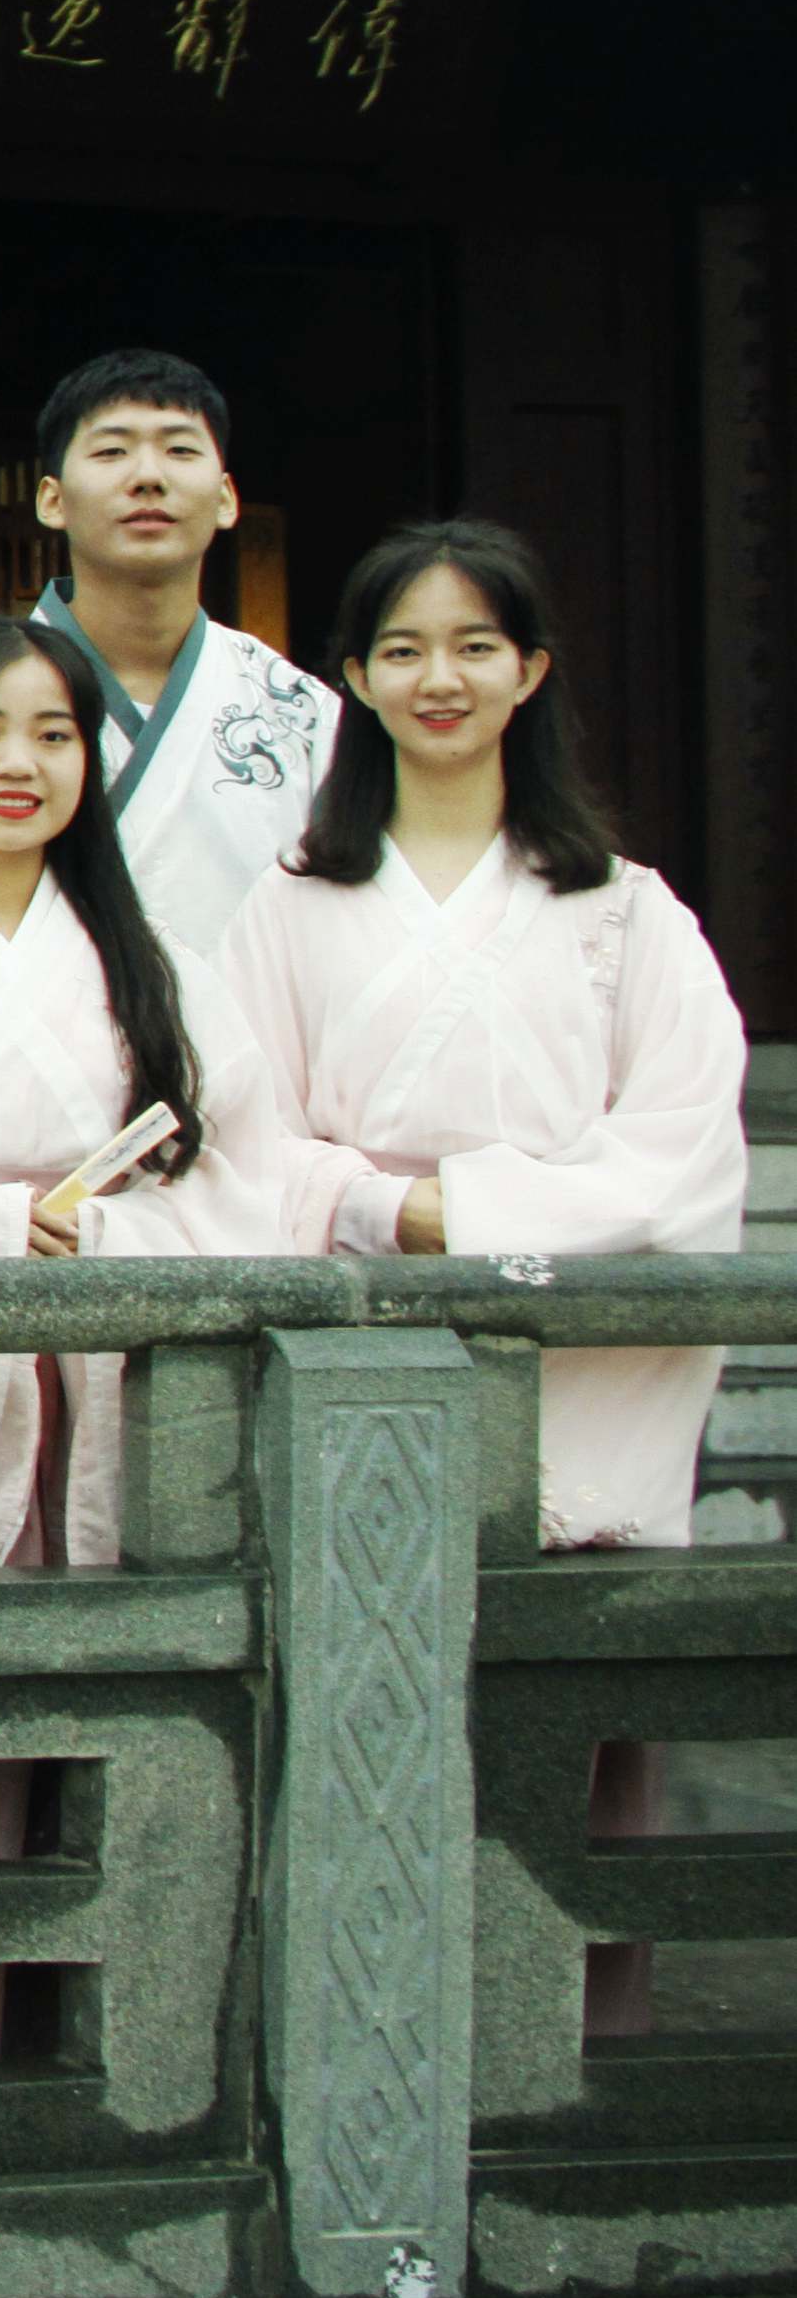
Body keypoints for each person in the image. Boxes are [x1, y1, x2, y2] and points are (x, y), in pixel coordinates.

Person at [216, 519, 739, 2039]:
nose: (437, 676)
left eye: (473, 645)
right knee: (348, 1722)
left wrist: (476, 1211)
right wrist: (388, 1211)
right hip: (359, 1343)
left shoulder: (626, 907)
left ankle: (556, 2053)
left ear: (531, 670)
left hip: (567, 1372)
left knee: (554, 1738)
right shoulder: (290, 901)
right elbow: (243, 1136)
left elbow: (681, 1154)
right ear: (356, 678)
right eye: (401, 648)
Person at [0, 616, 291, 1569]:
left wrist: (110, 1233)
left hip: (99, 1343)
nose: (16, 764)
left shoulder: (154, 963)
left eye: (52, 735)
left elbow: (240, 1172)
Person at [24, 349, 335, 950]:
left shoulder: (303, 713)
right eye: (112, 451)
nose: (148, 477)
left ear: (226, 499)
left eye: (180, 450)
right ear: (52, 500)